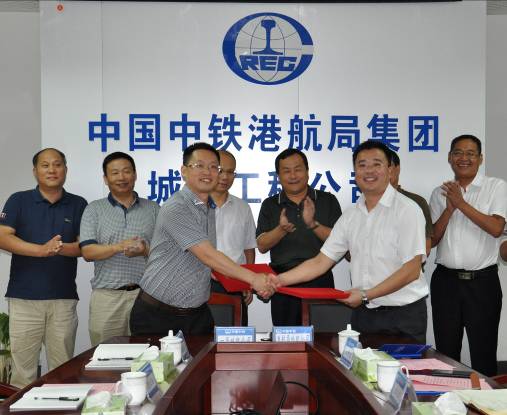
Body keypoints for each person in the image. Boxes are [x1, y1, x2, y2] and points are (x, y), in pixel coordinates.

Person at [275, 141, 429, 342]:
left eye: (376, 164)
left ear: (390, 170)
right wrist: (278, 281)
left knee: (404, 364)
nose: (369, 171)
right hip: (364, 315)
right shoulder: (351, 216)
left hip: (402, 316)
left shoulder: (407, 209)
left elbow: (411, 269)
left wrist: (366, 295)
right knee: (360, 364)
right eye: (362, 165)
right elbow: (321, 261)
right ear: (355, 172)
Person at [129, 143, 275, 336]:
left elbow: (205, 263)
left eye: (214, 167)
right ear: (184, 171)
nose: (208, 172)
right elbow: (207, 255)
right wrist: (253, 278)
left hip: (196, 314)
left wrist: (240, 282)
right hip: (158, 314)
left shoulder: (208, 208)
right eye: (199, 165)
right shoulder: (177, 207)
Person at [0, 148, 87, 388]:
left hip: (63, 299)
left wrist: (58, 248)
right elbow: (3, 237)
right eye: (45, 165)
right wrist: (41, 250)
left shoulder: (78, 204)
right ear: (35, 171)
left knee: (63, 369)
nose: (52, 170)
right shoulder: (18, 200)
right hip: (24, 298)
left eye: (57, 165)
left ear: (65, 170)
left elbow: (84, 247)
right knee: (23, 372)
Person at [430, 134, 506, 376]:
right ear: (449, 158)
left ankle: (487, 399)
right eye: (458, 153)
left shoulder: (496, 187)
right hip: (446, 283)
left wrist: (461, 204)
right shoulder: (439, 193)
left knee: (484, 353)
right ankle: (448, 398)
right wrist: (449, 209)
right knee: (446, 355)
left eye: (470, 153)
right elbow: (433, 239)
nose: (464, 158)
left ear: (480, 158)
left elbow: (496, 228)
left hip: (482, 283)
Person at [79, 152, 160, 346]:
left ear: (135, 175)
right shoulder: (94, 209)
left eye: (126, 171)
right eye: (115, 173)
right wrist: (119, 247)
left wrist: (144, 250)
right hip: (107, 297)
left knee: (146, 353)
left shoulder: (153, 209)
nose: (122, 177)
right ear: (105, 179)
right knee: (105, 356)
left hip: (145, 296)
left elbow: (165, 254)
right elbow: (87, 252)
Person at [257, 148, 342, 326]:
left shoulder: (327, 200)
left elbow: (341, 243)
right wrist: (281, 229)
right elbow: (262, 245)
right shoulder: (270, 204)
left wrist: (313, 224)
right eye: (286, 171)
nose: (293, 175)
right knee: (286, 339)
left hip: (320, 280)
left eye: (298, 169)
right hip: (283, 282)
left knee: (323, 336)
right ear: (278, 176)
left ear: (308, 171)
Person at [210, 150, 256, 325]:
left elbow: (248, 248)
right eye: (220, 170)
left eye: (230, 172)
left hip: (236, 282)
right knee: (202, 336)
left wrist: (248, 281)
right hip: (202, 283)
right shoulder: (193, 207)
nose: (225, 177)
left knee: (236, 336)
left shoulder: (242, 207)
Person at [389, 150, 433, 256]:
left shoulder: (417, 202)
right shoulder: (365, 204)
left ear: (397, 169)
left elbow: (425, 248)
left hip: (407, 266)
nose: (382, 171)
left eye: (388, 166)